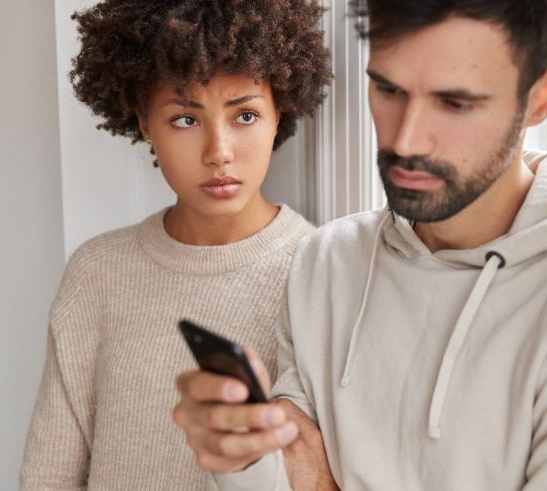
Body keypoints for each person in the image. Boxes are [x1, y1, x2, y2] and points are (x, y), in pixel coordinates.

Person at [174, 0, 547, 489]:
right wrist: (241, 462)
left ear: (540, 97)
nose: (406, 141)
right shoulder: (326, 261)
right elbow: (288, 471)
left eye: (455, 103)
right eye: (388, 89)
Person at [20, 0, 332, 489]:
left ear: (280, 114)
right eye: (185, 120)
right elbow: (47, 476)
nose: (218, 153)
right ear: (144, 123)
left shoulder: (322, 274)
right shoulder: (97, 272)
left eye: (245, 116)